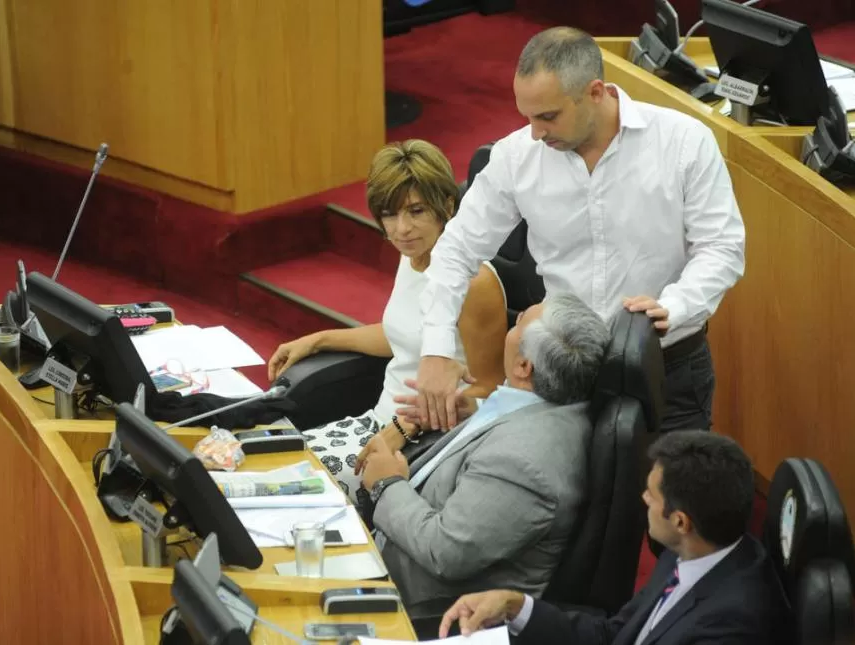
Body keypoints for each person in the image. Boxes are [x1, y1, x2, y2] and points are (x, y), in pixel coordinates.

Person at [414, 27, 745, 434]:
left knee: (670, 495)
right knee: (568, 496)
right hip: (559, 371)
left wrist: (674, 307)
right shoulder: (517, 156)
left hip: (667, 362)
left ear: (595, 92)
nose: (535, 132)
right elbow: (455, 251)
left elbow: (722, 248)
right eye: (528, 116)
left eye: (548, 116)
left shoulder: (685, 142)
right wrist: (435, 350)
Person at [266, 139, 507, 502]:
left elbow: (491, 392)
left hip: (423, 449)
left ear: (447, 205)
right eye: (390, 215)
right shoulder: (413, 253)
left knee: (286, 494)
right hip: (377, 425)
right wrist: (318, 340)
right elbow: (406, 334)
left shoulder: (475, 283)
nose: (402, 229)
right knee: (259, 466)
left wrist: (405, 427)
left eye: (416, 210)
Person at [356, 293, 611, 617]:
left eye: (518, 322)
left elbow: (444, 552)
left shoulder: (524, 463)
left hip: (410, 606)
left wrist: (386, 484)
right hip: (387, 550)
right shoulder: (545, 403)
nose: (513, 321)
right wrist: (473, 411)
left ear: (523, 366)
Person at [438, 430, 791, 645]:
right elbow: (614, 635)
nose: (644, 499)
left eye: (652, 496)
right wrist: (514, 604)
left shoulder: (734, 623)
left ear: (681, 521)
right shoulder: (688, 553)